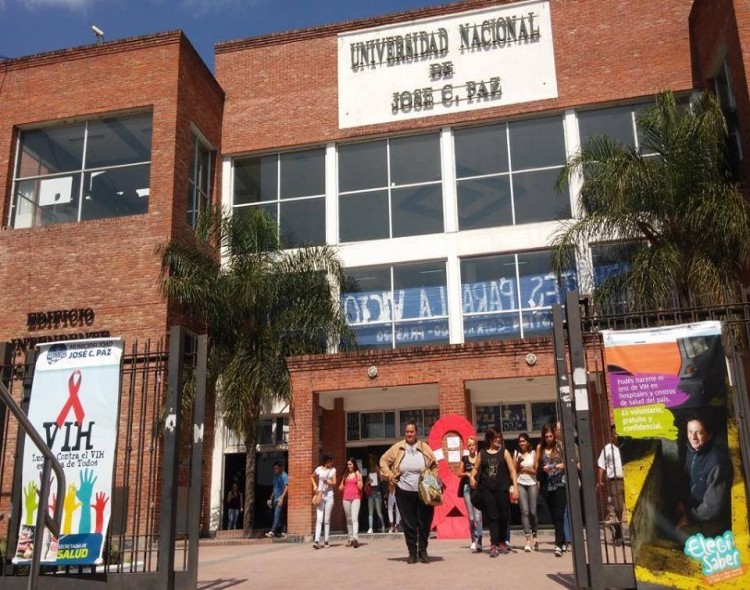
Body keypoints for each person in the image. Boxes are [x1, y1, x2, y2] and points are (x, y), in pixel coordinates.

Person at [380, 419, 437, 564]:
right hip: (404, 491)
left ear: (416, 433)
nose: (409, 434)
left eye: (412, 431)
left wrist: (433, 478)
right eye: (407, 432)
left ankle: (422, 551)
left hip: (423, 492)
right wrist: (390, 476)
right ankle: (412, 552)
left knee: (424, 522)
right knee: (409, 524)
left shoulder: (424, 447)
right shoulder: (398, 448)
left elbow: (434, 465)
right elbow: (383, 461)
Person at [676, 415, 733, 538]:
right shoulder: (692, 451)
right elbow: (687, 478)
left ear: (709, 435)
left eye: (699, 433)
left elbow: (713, 506)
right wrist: (682, 501)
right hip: (695, 506)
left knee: (681, 533)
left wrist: (689, 517)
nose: (693, 437)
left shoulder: (717, 463)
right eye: (690, 431)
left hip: (712, 516)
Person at [470, 427, 518, 557]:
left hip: (502, 489)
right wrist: (472, 477)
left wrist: (515, 487)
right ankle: (493, 544)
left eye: (499, 437)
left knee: (504, 516)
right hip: (487, 489)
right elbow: (476, 468)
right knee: (492, 517)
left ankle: (502, 541)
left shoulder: (504, 452)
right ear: (490, 439)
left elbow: (512, 470)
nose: (498, 439)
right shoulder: (482, 453)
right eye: (496, 437)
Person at [538, 423, 567, 556]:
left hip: (560, 483)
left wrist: (563, 465)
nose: (549, 438)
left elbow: (570, 461)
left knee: (559, 514)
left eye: (551, 436)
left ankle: (558, 545)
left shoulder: (560, 446)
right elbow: (537, 467)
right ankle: (563, 539)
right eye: (546, 436)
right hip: (547, 485)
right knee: (553, 515)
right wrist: (543, 469)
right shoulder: (540, 448)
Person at [597, 425, 624, 544]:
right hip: (615, 481)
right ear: (611, 435)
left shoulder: (626, 446)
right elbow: (601, 465)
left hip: (628, 479)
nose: (617, 435)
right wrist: (600, 480)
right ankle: (618, 532)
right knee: (618, 507)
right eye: (615, 433)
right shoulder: (607, 449)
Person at [457, 435, 483, 552]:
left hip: (477, 489)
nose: (472, 447)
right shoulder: (465, 459)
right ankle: (473, 539)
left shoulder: (479, 458)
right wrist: (467, 474)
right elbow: (459, 473)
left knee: (478, 516)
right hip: (467, 488)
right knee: (471, 517)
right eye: (470, 445)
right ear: (468, 447)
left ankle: (479, 540)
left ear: (476, 446)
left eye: (473, 445)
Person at [515, 432, 538, 552]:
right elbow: (514, 470)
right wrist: (518, 463)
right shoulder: (516, 454)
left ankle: (535, 534)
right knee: (524, 511)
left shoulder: (533, 453)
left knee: (532, 512)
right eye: (520, 441)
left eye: (523, 441)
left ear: (528, 442)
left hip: (532, 483)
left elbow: (536, 471)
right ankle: (528, 539)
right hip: (520, 483)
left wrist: (524, 468)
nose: (521, 443)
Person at [311, 453, 337, 549]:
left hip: (329, 495)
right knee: (319, 519)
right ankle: (316, 540)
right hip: (320, 495)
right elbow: (312, 476)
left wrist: (328, 482)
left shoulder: (333, 470)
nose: (331, 463)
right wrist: (315, 485)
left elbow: (335, 483)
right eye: (330, 461)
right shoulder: (319, 469)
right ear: (326, 461)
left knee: (327, 519)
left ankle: (326, 540)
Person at [339, 457, 363, 547]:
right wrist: (341, 485)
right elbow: (340, 488)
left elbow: (360, 487)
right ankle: (350, 538)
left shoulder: (358, 474)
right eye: (348, 465)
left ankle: (355, 538)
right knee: (349, 519)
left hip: (356, 498)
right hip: (346, 498)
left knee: (354, 518)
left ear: (354, 465)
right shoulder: (345, 475)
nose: (349, 466)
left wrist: (359, 478)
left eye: (351, 464)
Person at [555, 420, 572, 552]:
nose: (561, 432)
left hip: (571, 481)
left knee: (570, 510)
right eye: (559, 430)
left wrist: (565, 465)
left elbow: (577, 462)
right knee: (564, 511)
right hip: (558, 482)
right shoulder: (553, 446)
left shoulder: (571, 444)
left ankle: (569, 537)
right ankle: (567, 539)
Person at [265, 461, 288, 538]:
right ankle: (282, 531)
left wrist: (282, 498)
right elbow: (274, 488)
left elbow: (287, 487)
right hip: (275, 499)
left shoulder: (284, 476)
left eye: (277, 468)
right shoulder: (275, 476)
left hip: (280, 499)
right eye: (274, 469)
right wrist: (270, 499)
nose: (275, 470)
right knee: (280, 516)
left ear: (281, 468)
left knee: (277, 515)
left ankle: (273, 531)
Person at [366, 466, 386, 533]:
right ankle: (370, 528)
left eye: (376, 468)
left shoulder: (380, 476)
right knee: (370, 512)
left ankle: (383, 526)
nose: (375, 469)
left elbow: (383, 482)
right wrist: (369, 482)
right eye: (374, 468)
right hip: (371, 494)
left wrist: (379, 472)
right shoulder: (370, 475)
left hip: (378, 494)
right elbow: (366, 484)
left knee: (379, 512)